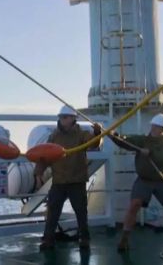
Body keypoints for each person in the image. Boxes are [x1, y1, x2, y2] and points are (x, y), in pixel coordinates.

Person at [108, 114, 163, 252]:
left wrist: (150, 153)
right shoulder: (142, 140)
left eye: (159, 127)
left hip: (162, 180)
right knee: (134, 205)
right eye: (154, 126)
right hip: (144, 180)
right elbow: (125, 141)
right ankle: (124, 240)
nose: (155, 129)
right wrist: (112, 135)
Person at [35, 105, 103, 251]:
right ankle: (48, 240)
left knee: (80, 211)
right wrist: (38, 172)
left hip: (76, 181)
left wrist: (98, 133)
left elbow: (94, 143)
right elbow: (46, 155)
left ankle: (84, 238)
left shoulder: (81, 134)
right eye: (61, 117)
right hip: (59, 180)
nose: (62, 119)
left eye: (65, 117)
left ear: (73, 119)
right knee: (53, 211)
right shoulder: (53, 136)